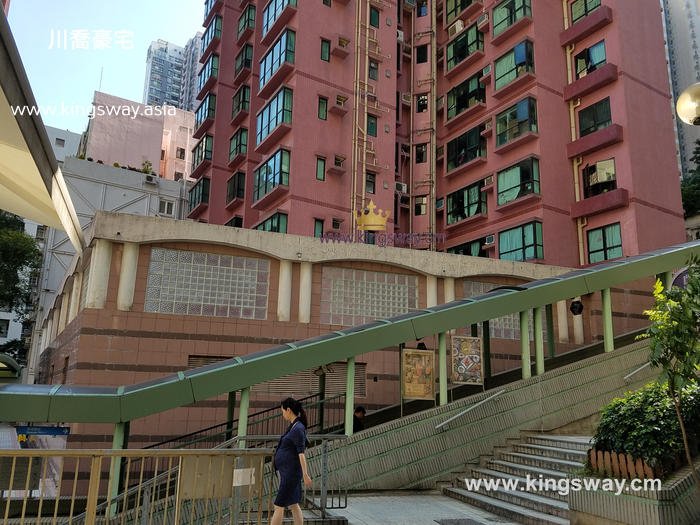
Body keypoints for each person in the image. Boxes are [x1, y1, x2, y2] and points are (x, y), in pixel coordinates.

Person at [271, 397, 313, 525]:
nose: (282, 414)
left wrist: (305, 474)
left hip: (291, 474)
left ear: (288, 410)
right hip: (288, 472)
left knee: (278, 505)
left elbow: (301, 453)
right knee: (293, 504)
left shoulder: (297, 428)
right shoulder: (294, 426)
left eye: (283, 411)